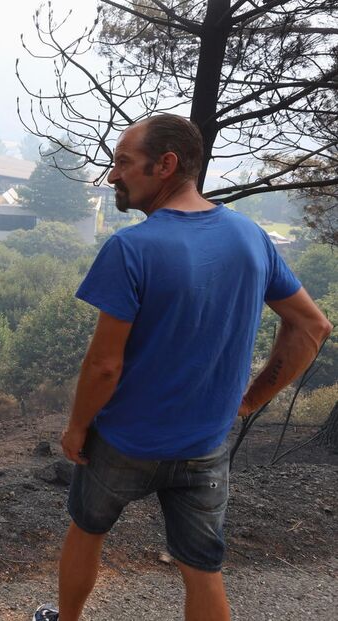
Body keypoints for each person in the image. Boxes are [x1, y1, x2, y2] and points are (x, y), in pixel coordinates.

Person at [33, 115, 333, 621]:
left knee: (86, 531)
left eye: (124, 162)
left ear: (166, 164)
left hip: (125, 441)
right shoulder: (251, 238)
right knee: (201, 569)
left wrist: (77, 427)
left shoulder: (131, 248)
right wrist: (248, 402)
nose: (113, 176)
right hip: (205, 445)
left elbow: (105, 365)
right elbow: (312, 327)